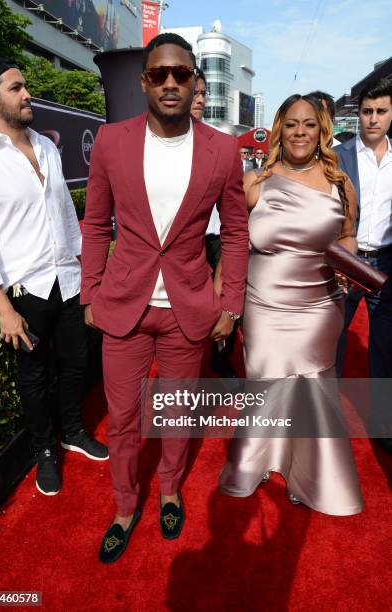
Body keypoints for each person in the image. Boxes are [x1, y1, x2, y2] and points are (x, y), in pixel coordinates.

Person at [80, 33, 249, 562]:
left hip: (188, 308)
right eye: (160, 74)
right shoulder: (111, 141)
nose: (171, 83)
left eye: (181, 73)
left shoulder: (223, 150)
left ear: (195, 79)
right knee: (124, 418)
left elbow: (238, 232)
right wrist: (90, 293)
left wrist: (232, 305)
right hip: (124, 307)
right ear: (144, 81)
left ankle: (169, 490)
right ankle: (125, 506)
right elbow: (95, 224)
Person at [0, 57, 108, 497]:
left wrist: (87, 275)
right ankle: (44, 451)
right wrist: (3, 309)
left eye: (25, 86)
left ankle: (72, 432)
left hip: (66, 278)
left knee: (75, 364)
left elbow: (67, 216)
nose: (27, 94)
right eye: (16, 88)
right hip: (25, 287)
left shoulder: (46, 147)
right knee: (33, 376)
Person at [219, 94, 363, 516]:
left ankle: (313, 475)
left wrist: (347, 261)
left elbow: (349, 235)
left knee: (312, 385)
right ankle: (260, 459)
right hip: (264, 304)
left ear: (322, 131)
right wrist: (224, 301)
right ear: (279, 129)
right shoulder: (255, 181)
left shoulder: (340, 182)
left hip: (320, 304)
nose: (301, 132)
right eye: (293, 124)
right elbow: (234, 245)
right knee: (265, 379)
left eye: (310, 125)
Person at [335, 77, 392, 453]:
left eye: (381, 112)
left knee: (385, 349)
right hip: (346, 260)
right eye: (367, 112)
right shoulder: (338, 157)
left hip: (387, 263)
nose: (373, 119)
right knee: (331, 342)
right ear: (358, 115)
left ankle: (382, 424)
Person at [191, 69, 239, 380]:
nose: (199, 99)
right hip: (183, 241)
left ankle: (221, 359)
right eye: (194, 92)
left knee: (228, 302)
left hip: (216, 237)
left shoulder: (219, 144)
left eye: (203, 93)